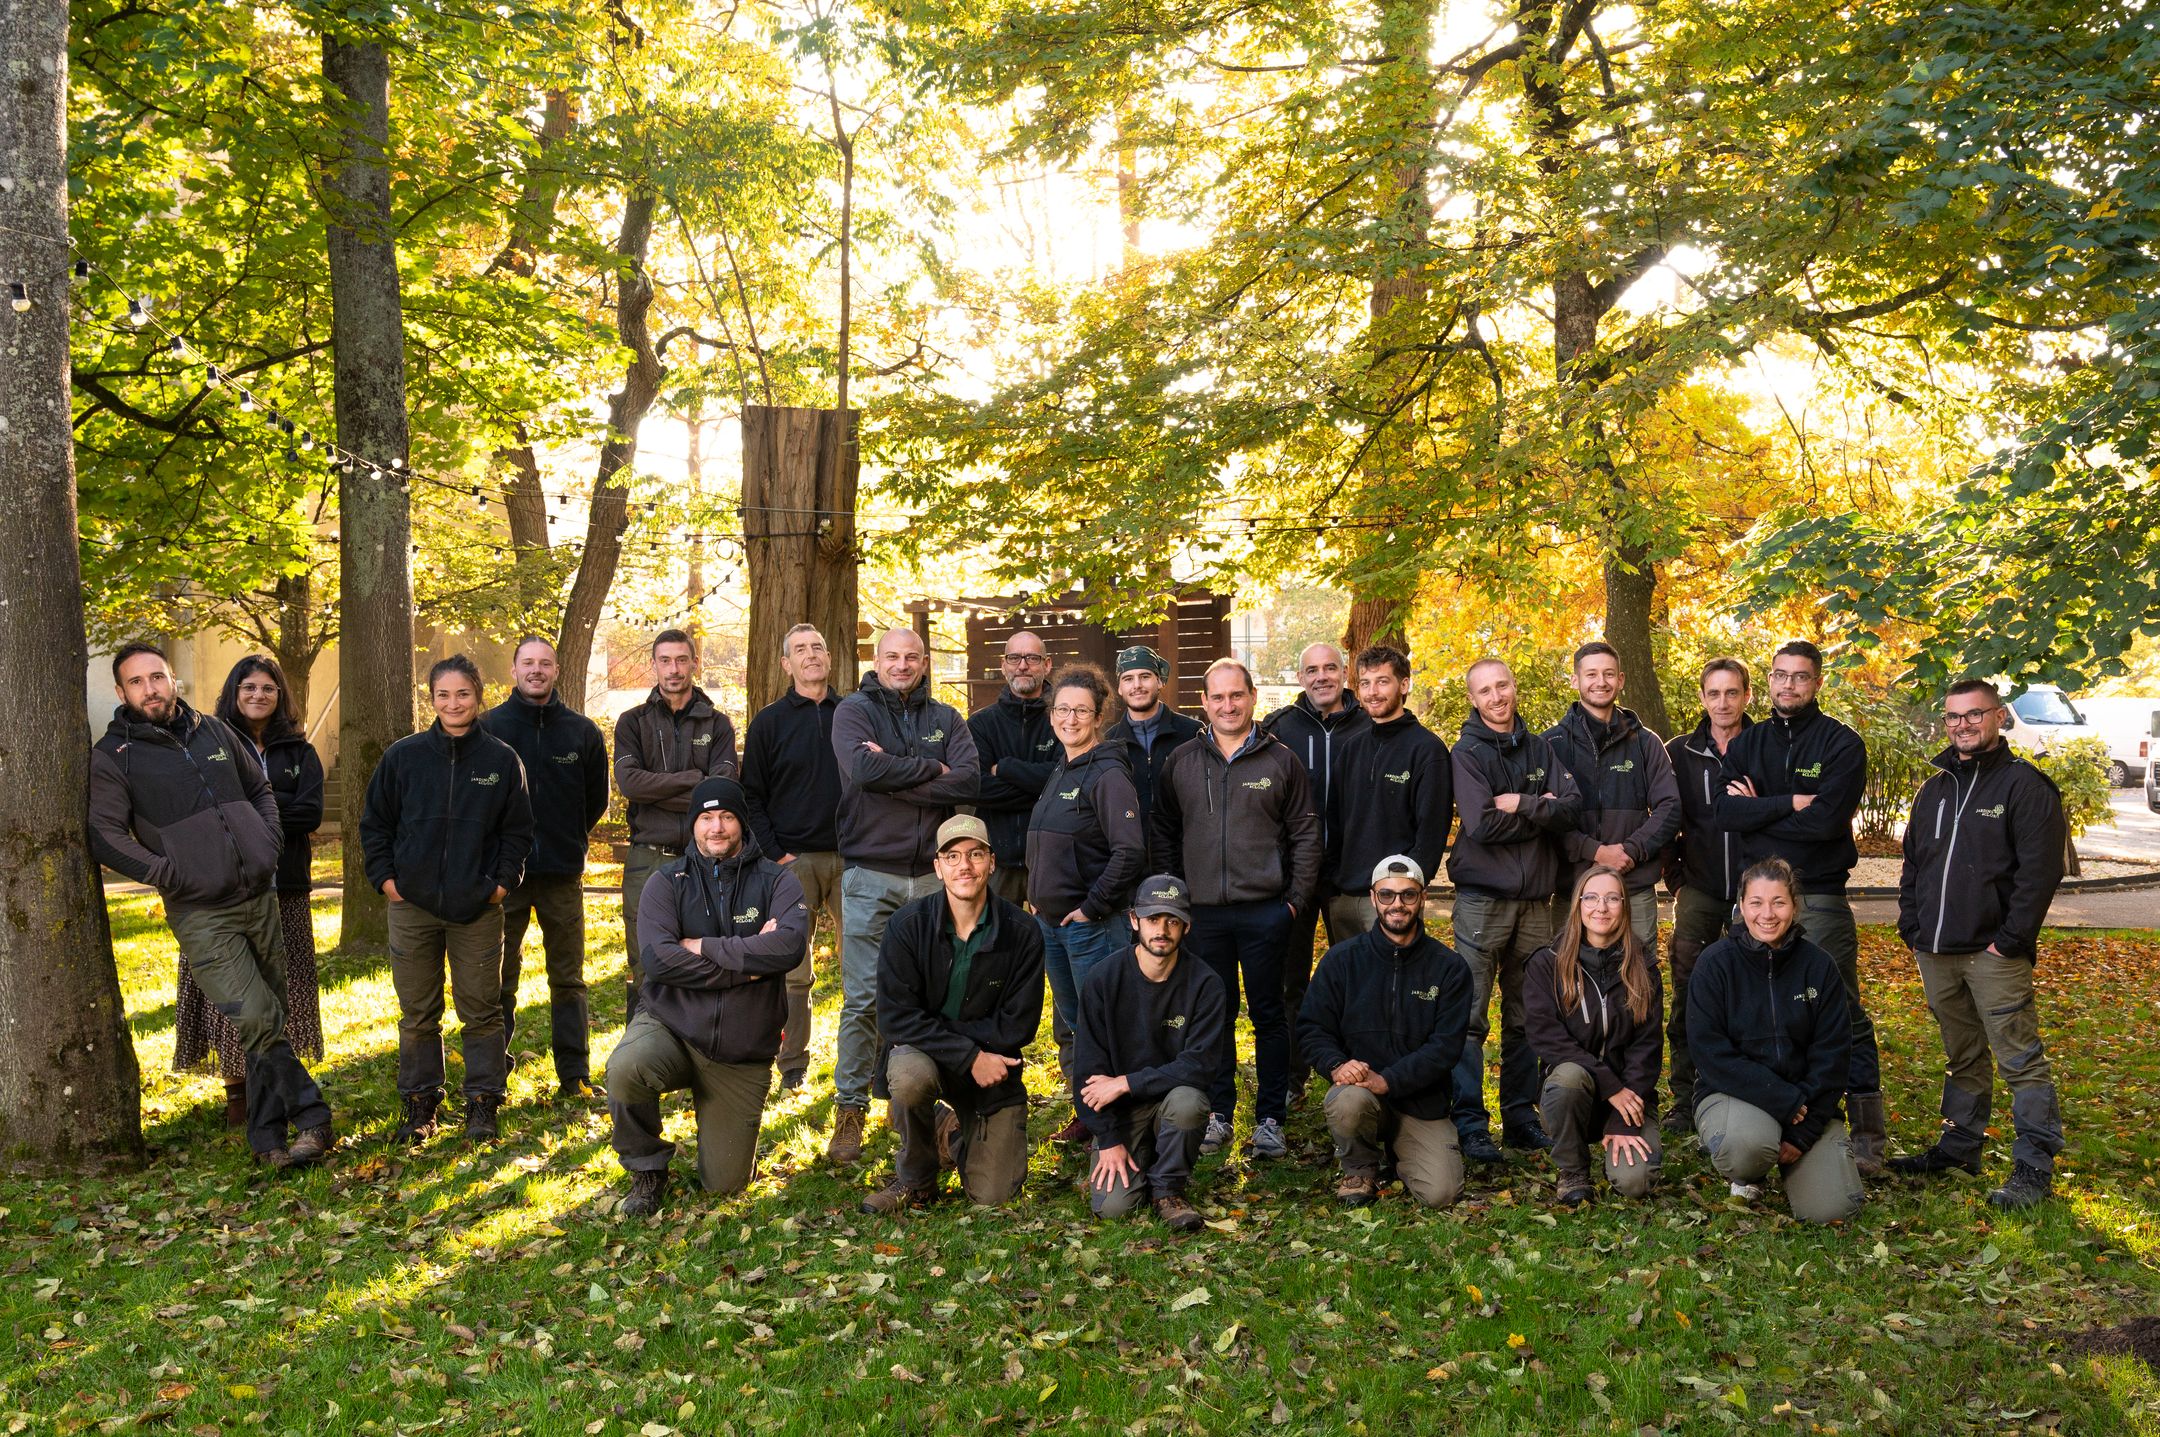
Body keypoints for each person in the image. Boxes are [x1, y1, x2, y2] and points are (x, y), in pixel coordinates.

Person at [90, 643, 334, 1168]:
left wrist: (266, 844)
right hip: (201, 912)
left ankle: (267, 1141)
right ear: (122, 692)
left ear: (172, 679)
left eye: (157, 677)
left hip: (259, 895)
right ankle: (314, 1117)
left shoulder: (213, 730)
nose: (150, 689)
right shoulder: (114, 756)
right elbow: (106, 835)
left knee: (269, 1019)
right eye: (137, 682)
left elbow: (260, 790)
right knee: (257, 1016)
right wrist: (168, 873)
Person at [1890, 679, 2068, 1209]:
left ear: (1999, 718)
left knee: (2020, 1058)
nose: (1962, 724)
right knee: (1962, 1053)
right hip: (1936, 952)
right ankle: (1960, 1145)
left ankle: (2033, 1165)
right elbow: (1914, 864)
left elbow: (2039, 877)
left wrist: (2009, 942)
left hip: (1994, 954)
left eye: (1974, 714)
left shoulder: (2025, 788)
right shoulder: (1934, 788)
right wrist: (1912, 928)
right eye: (1953, 717)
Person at [1713, 639, 1886, 1174]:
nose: (1789, 686)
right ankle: (1769, 1111)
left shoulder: (1840, 744)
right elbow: (1724, 813)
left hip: (1819, 895)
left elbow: (1826, 824)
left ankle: (1868, 1138)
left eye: (1801, 677)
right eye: (1780, 675)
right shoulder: (1748, 743)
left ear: (1817, 683)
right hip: (1756, 899)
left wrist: (1757, 810)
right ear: (1768, 680)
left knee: (1843, 1012)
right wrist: (1788, 803)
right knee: (1753, 1005)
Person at [606, 777, 809, 1215]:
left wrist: (702, 946)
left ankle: (719, 1139)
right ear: (693, 824)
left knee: (725, 1186)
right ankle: (646, 1168)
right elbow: (659, 961)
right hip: (671, 1027)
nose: (716, 827)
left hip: (741, 1050)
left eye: (727, 816)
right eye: (706, 817)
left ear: (742, 822)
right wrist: (747, 968)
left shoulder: (778, 881)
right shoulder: (667, 881)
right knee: (625, 1067)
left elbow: (788, 947)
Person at [361, 655, 534, 1144]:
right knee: (418, 1011)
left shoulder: (501, 760)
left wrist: (499, 885)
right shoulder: (403, 757)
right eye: (443, 695)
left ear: (478, 695)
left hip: (477, 908)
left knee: (481, 1008)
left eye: (462, 694)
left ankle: (483, 1103)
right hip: (412, 905)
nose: (453, 703)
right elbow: (375, 824)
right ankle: (420, 1104)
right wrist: (387, 881)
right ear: (430, 699)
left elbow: (517, 833)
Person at [1153, 658, 1321, 1161]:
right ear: (1203, 703)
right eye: (1217, 697)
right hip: (1202, 916)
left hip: (1266, 912)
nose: (1228, 705)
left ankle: (1270, 1118)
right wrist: (1175, 900)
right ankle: (1219, 1113)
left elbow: (1307, 835)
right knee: (1215, 1015)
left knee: (1270, 1015)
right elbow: (1163, 832)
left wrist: (1293, 903)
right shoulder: (1182, 760)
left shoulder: (1280, 761)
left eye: (1237, 695)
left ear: (1252, 698)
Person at [828, 628, 981, 1164]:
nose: (902, 664)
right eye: (892, 656)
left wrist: (897, 776)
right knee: (865, 997)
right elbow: (864, 770)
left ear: (923, 663)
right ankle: (849, 1108)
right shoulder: (854, 712)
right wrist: (929, 770)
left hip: (932, 879)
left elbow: (968, 782)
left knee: (934, 996)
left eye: (911, 657)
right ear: (877, 660)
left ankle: (920, 1103)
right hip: (871, 874)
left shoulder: (946, 719)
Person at [173, 656, 325, 1129]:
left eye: (269, 688)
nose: (259, 695)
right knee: (235, 990)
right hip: (223, 889)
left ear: (281, 696)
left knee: (285, 988)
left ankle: (275, 1088)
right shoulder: (208, 742)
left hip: (286, 886)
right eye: (249, 687)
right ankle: (236, 1091)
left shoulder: (299, 752)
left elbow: (310, 814)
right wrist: (263, 808)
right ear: (234, 692)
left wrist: (250, 808)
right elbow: (204, 808)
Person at [863, 817, 1045, 1213]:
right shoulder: (907, 926)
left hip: (994, 1068)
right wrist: (969, 1056)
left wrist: (977, 1058)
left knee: (993, 1198)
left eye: (975, 854)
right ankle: (916, 1180)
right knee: (910, 1078)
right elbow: (896, 1018)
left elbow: (1020, 1023)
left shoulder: (1023, 931)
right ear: (938, 866)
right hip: (933, 1057)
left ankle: (951, 1131)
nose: (965, 866)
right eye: (953, 856)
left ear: (992, 863)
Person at [1446, 657, 1582, 1163]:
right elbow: (1481, 826)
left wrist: (1522, 804)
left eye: (1502, 685)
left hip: (1534, 905)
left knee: (1527, 1016)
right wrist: (1540, 807)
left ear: (1514, 687)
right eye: (1485, 690)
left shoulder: (1541, 747)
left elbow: (1571, 807)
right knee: (1470, 1016)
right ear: (1473, 699)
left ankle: (1521, 1117)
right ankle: (1471, 1122)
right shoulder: (1466, 753)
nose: (1496, 697)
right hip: (1483, 902)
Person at [1687, 857, 1865, 1224]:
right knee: (1748, 1148)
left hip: (1806, 1106)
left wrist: (1804, 1131)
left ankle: (1796, 1165)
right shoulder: (1714, 964)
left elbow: (1833, 1056)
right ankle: (1747, 1175)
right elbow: (1710, 1055)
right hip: (1735, 1097)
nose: (1767, 914)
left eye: (1778, 902)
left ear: (1794, 906)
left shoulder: (1819, 966)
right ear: (1741, 906)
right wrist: (1782, 1099)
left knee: (1830, 1211)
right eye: (1756, 902)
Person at [1298, 856, 1472, 1208]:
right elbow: (1312, 1028)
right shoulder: (1341, 961)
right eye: (1388, 894)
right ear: (1373, 898)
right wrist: (1336, 1065)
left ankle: (1400, 1151)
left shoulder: (1449, 968)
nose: (1398, 904)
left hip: (1421, 1104)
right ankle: (1360, 1167)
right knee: (1348, 1100)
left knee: (1441, 1194)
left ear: (1422, 898)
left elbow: (1445, 1047)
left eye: (1408, 895)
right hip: (1359, 1095)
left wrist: (1388, 1080)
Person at [481, 636, 608, 1098]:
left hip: (561, 875)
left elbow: (595, 802)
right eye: (528, 663)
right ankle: (493, 1074)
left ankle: (573, 1075)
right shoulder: (488, 727)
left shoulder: (582, 733)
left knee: (569, 980)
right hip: (502, 879)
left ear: (557, 670)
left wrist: (567, 841)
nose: (536, 670)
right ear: (513, 670)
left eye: (545, 664)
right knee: (499, 980)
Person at [1026, 664, 1148, 1142]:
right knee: (1077, 1026)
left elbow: (1130, 851)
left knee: (1104, 1025)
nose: (1069, 718)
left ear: (1099, 716)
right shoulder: (1063, 766)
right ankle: (1089, 1113)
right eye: (1062, 709)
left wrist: (1092, 907)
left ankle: (1119, 1128)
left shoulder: (1108, 773)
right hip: (1053, 926)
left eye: (1080, 710)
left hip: (1090, 926)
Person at [1073, 874, 1226, 1230]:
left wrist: (1126, 1082)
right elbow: (1087, 1074)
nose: (1162, 929)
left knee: (1190, 1102)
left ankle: (1168, 1189)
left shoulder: (1206, 984)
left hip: (1171, 1102)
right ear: (1133, 920)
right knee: (1114, 1210)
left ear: (1186, 927)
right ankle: (1140, 1155)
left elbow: (1200, 1067)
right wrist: (1108, 1139)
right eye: (1153, 919)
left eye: (1173, 920)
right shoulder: (1103, 979)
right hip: (1122, 1114)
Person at [740, 623, 847, 1093]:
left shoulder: (855, 714)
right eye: (800, 650)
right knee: (793, 971)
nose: (811, 655)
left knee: (864, 968)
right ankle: (792, 1064)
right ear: (786, 664)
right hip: (792, 861)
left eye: (818, 647)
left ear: (829, 658)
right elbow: (751, 795)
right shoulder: (769, 722)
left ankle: (866, 1063)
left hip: (853, 860)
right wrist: (775, 853)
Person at [1263, 642, 1371, 1101]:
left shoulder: (1371, 725)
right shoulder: (1280, 728)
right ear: (1300, 676)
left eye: (1330, 668)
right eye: (1312, 669)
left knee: (1359, 977)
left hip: (1354, 876)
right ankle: (1291, 1078)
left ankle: (1357, 1071)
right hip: (1295, 878)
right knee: (1291, 981)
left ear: (1345, 672)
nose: (1321, 676)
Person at [614, 629, 738, 1020]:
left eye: (681, 660)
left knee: (703, 952)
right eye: (665, 660)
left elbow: (723, 788)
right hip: (647, 859)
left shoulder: (717, 724)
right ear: (653, 665)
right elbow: (630, 784)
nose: (673, 669)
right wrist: (692, 780)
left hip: (703, 860)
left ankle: (702, 1044)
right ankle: (643, 1047)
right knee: (645, 960)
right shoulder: (632, 722)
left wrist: (659, 789)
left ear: (694, 664)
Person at [1525, 867, 1663, 1207]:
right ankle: (1572, 1170)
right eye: (1592, 897)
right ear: (1578, 905)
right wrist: (1609, 1086)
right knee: (1570, 1076)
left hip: (1629, 1099)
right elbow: (1547, 1037)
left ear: (1624, 906)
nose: (1601, 907)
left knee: (1635, 1183)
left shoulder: (1643, 966)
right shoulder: (1548, 963)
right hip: (1572, 1097)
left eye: (1612, 898)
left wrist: (1623, 1115)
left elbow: (1647, 1047)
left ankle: (1615, 1141)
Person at [1661, 658, 1753, 1133]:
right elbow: (1664, 818)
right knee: (1688, 996)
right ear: (1702, 698)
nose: (1723, 702)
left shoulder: (1764, 746)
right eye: (1714, 693)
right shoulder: (1679, 752)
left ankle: (1737, 1092)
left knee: (1746, 996)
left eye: (1732, 693)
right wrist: (1677, 879)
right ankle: (1683, 1098)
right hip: (1697, 892)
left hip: (1753, 897)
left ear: (1747, 696)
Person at [1543, 641, 1680, 949]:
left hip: (1634, 888)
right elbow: (1544, 817)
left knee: (1638, 980)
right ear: (1575, 680)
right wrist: (1594, 851)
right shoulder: (1550, 745)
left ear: (1621, 680)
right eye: (1591, 674)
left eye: (1608, 674)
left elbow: (1670, 808)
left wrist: (1628, 851)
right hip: (1574, 888)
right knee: (1569, 980)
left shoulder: (1646, 743)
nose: (1600, 681)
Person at [1324, 645, 1452, 938]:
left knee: (1392, 983)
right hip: (1345, 898)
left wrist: (1402, 893)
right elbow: (1335, 821)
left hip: (1392, 901)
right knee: (1349, 983)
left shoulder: (1427, 750)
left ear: (1404, 684)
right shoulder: (1352, 748)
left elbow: (1431, 833)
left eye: (1383, 681)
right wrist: (1332, 885)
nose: (1372, 692)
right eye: (1365, 683)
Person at [968, 628, 1059, 905]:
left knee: (1050, 945)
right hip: (996, 860)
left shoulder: (1063, 718)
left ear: (1047, 664)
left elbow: (1068, 782)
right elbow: (978, 788)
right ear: (1003, 664)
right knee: (996, 943)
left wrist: (1005, 768)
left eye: (1032, 658)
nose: (1022, 665)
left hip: (1053, 859)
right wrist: (1041, 787)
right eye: (1014, 657)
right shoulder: (981, 724)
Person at [1104, 645, 1201, 827]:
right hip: (1131, 849)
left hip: (1182, 848)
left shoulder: (1192, 733)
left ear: (1160, 681)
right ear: (1119, 688)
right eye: (1128, 679)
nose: (1137, 685)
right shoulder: (1109, 742)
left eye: (1145, 676)